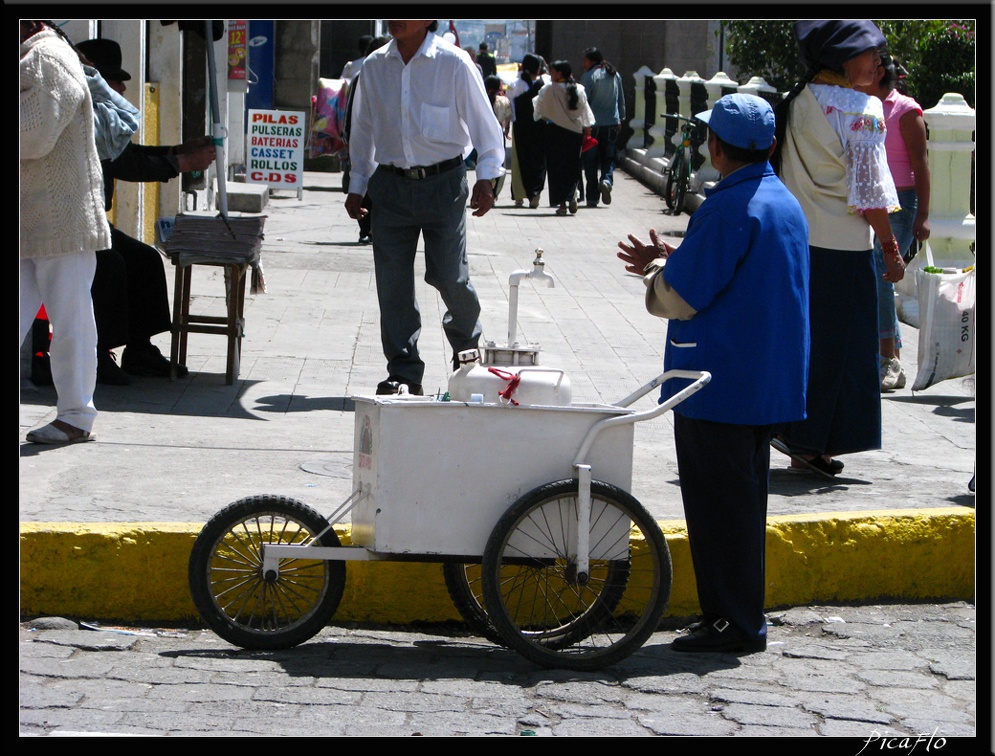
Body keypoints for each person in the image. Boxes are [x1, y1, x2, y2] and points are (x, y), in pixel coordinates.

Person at [616, 93, 810, 654]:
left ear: (715, 148)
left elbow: (680, 296)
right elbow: (738, 273)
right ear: (770, 146)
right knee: (743, 508)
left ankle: (732, 623)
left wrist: (659, 274)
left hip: (716, 382)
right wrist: (673, 257)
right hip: (764, 384)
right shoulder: (782, 202)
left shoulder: (724, 207)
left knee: (717, 510)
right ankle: (740, 615)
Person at [772, 20, 904, 478]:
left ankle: (796, 434)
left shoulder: (798, 100)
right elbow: (868, 192)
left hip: (799, 242)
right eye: (869, 55)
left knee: (807, 341)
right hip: (845, 249)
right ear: (842, 61)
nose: (878, 64)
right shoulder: (862, 109)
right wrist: (890, 247)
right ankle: (811, 442)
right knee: (841, 349)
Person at [345, 20, 505, 396]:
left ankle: (467, 353)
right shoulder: (374, 66)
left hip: (444, 184)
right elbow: (363, 128)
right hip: (390, 187)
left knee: (450, 275)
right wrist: (358, 185)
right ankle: (404, 371)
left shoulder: (454, 63)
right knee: (393, 283)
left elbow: (484, 124)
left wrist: (487, 177)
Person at [75, 38, 216, 385]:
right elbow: (127, 164)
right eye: (114, 80)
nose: (122, 87)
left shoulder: (100, 119)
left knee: (145, 258)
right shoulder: (79, 117)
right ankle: (97, 354)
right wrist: (181, 162)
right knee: (111, 266)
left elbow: (126, 152)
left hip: (92, 221)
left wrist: (176, 151)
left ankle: (139, 349)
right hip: (69, 224)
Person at [20, 20, 111, 444]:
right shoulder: (35, 56)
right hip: (33, 220)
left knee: (70, 322)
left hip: (62, 219)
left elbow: (34, 135)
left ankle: (76, 416)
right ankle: (75, 414)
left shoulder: (46, 58)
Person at [855, 53, 931, 391]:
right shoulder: (863, 106)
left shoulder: (905, 110)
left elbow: (921, 164)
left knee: (880, 267)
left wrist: (924, 215)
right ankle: (892, 351)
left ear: (879, 72)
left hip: (901, 201)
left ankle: (887, 357)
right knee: (876, 275)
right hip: (871, 200)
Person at [342, 35, 389, 245]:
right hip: (366, 147)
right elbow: (353, 111)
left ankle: (375, 229)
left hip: (389, 153)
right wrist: (349, 138)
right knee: (365, 189)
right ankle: (366, 229)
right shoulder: (363, 76)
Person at [533, 60, 595, 215]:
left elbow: (539, 111)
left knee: (556, 170)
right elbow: (585, 113)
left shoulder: (548, 89)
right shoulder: (579, 89)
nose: (551, 74)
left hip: (554, 133)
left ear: (559, 73)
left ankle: (562, 205)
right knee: (573, 168)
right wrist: (587, 130)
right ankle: (573, 195)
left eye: (553, 71)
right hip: (574, 134)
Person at [579, 47, 625, 207]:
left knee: (590, 161)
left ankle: (592, 197)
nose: (583, 63)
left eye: (584, 60)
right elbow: (620, 100)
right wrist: (620, 118)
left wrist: (582, 124)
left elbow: (583, 103)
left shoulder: (588, 77)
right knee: (609, 158)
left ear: (592, 61)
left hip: (592, 126)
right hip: (612, 124)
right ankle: (606, 180)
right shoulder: (615, 75)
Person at [506, 54, 547, 209]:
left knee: (519, 161)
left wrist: (509, 124)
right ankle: (535, 192)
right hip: (539, 126)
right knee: (538, 161)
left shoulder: (514, 84)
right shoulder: (544, 84)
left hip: (521, 127)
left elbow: (510, 105)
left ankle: (519, 195)